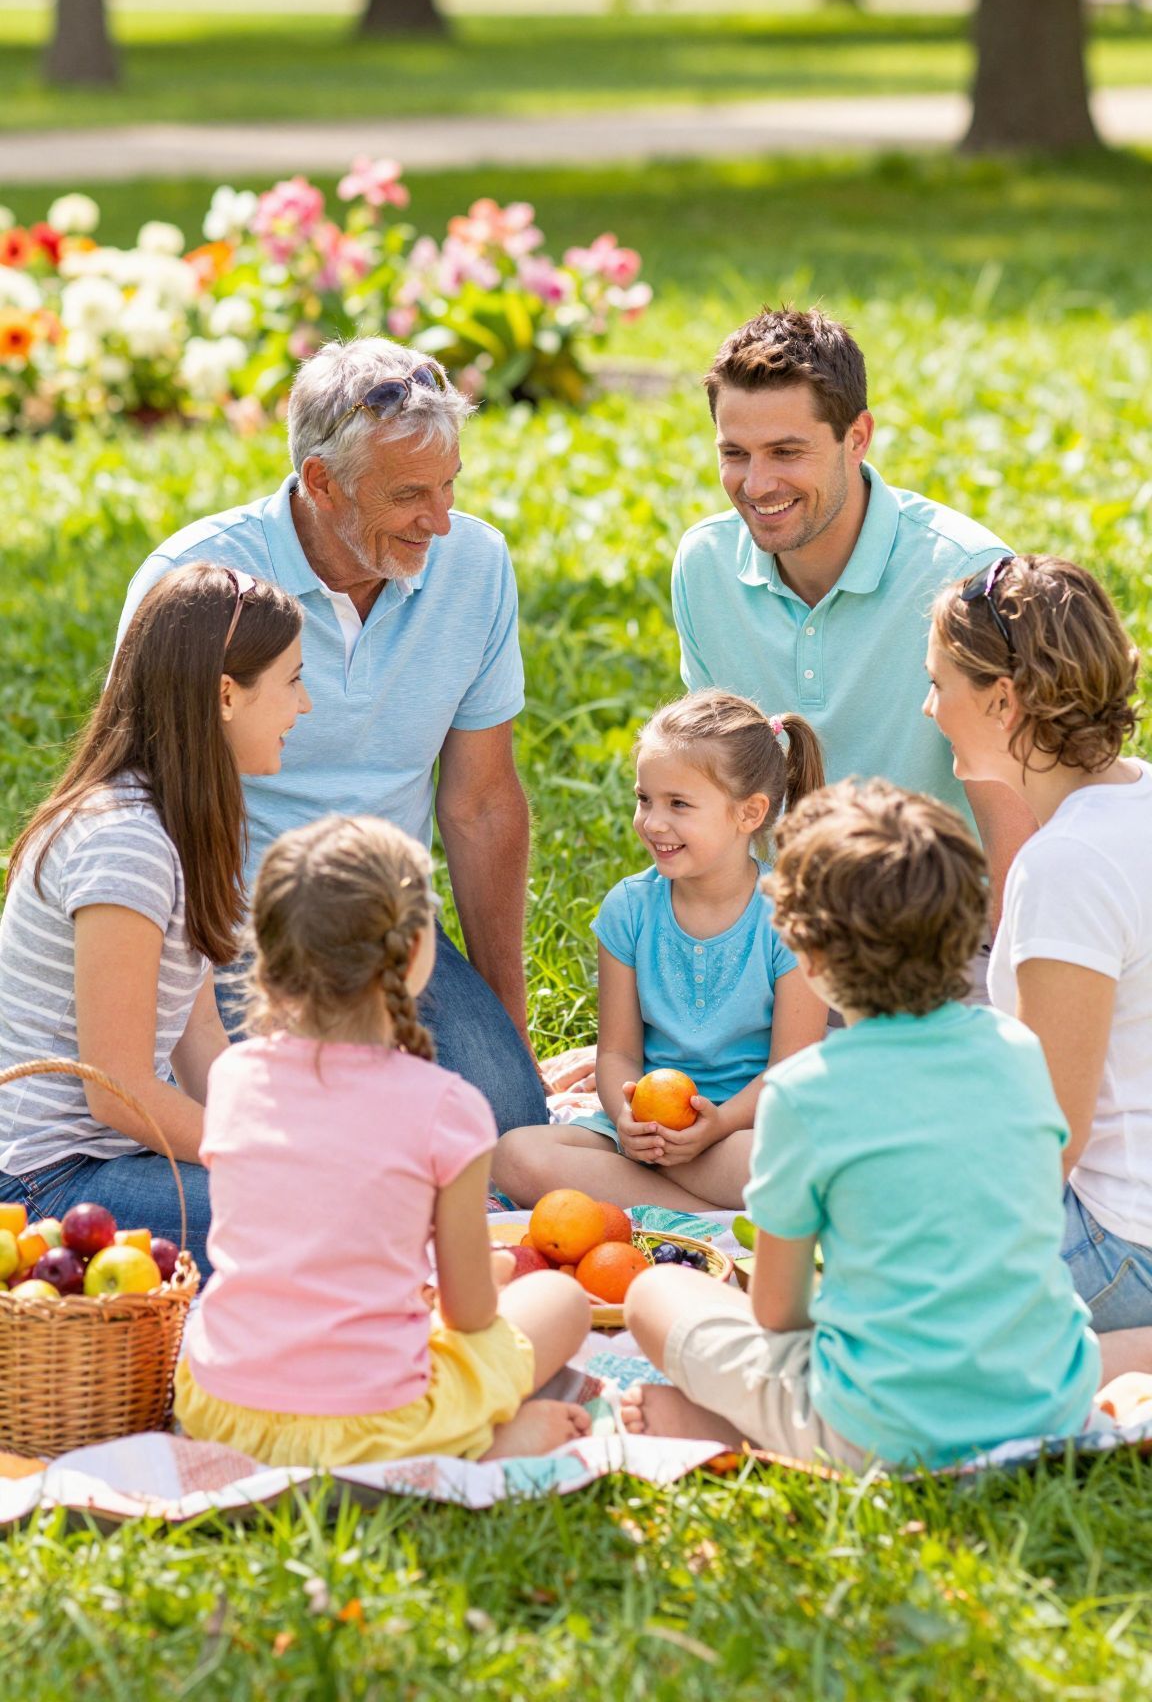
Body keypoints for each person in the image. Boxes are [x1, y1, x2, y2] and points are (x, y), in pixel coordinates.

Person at [116, 335, 546, 1137]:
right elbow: (140, 807)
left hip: (385, 927)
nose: (442, 521)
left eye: (451, 485)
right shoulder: (200, 583)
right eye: (411, 495)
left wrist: (506, 1021)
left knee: (508, 1125)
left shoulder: (476, 565)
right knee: (325, 1144)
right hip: (232, 931)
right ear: (322, 482)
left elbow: (482, 804)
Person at [619, 779, 1106, 1470]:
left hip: (881, 1427)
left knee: (656, 1291)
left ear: (809, 960)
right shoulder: (1019, 1052)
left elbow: (779, 1314)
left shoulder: (804, 1093)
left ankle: (744, 1429)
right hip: (1049, 1402)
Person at [175, 815, 592, 1466]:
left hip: (222, 1409)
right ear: (417, 945)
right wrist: (492, 1272)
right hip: (373, 1425)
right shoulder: (448, 1107)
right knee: (560, 1300)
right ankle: (479, 1447)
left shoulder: (230, 1077)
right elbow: (470, 1314)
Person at [670, 306, 1035, 935]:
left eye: (787, 451)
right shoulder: (704, 565)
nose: (757, 484)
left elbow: (1014, 838)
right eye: (735, 453)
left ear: (857, 437)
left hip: (940, 946)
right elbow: (713, 788)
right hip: (782, 938)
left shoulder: (968, 576)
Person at [0, 565, 309, 1274]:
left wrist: (282, 1131)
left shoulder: (184, 819)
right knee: (332, 1223)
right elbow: (117, 1089)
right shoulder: (125, 841)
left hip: (111, 1160)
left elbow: (197, 1036)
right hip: (49, 1187)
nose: (306, 704)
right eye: (293, 680)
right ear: (227, 695)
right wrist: (265, 1160)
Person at [926, 555, 1152, 1355]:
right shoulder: (1138, 799)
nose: (930, 708)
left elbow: (1051, 1137)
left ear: (1003, 700)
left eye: (940, 683)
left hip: (1122, 1246)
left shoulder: (1067, 866)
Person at [493, 691, 827, 1214]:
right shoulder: (629, 909)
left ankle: (651, 1202)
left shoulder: (792, 917)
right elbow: (618, 1053)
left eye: (678, 804)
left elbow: (791, 1069)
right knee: (514, 1155)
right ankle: (711, 1216)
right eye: (644, 799)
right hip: (643, 1135)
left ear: (750, 813)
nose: (652, 822)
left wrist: (713, 1125)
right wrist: (626, 1117)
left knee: (793, 1163)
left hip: (744, 1125)